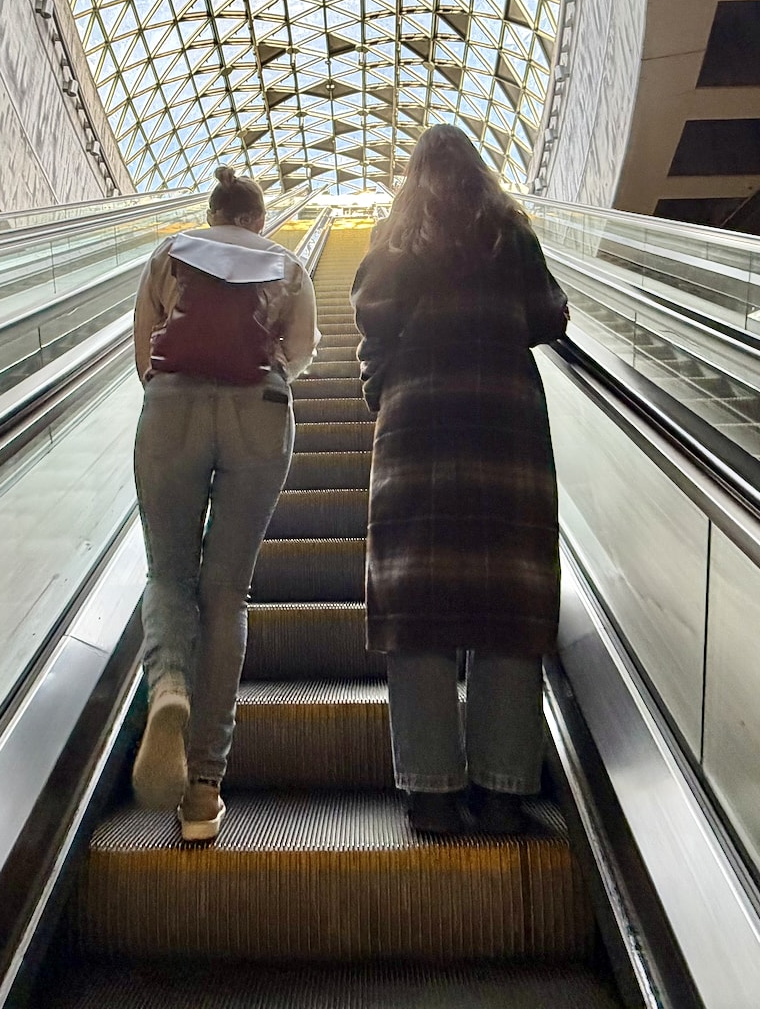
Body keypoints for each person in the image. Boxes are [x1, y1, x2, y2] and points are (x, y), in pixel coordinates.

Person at [352, 124, 569, 836]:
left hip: (419, 431)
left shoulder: (393, 241)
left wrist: (378, 388)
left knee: (417, 604)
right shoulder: (512, 236)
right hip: (504, 428)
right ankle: (504, 789)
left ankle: (433, 793)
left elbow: (371, 320)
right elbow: (550, 316)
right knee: (511, 600)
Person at [130, 166, 317, 842]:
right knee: (227, 593)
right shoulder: (288, 264)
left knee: (168, 575)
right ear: (259, 219)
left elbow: (145, 348)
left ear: (211, 212)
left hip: (172, 407)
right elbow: (298, 353)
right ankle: (203, 791)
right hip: (261, 415)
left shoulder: (170, 252)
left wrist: (175, 398)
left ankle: (170, 685)